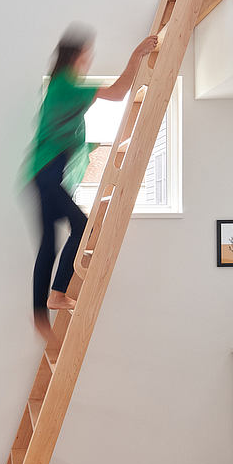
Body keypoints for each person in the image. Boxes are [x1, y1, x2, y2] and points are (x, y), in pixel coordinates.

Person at [23, 25, 159, 338]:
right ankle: (50, 300)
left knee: (51, 242)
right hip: (45, 173)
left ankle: (45, 306)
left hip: (43, 173)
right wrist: (137, 55)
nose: (90, 58)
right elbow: (118, 93)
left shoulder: (62, 85)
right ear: (77, 56)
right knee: (81, 227)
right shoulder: (66, 85)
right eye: (88, 53)